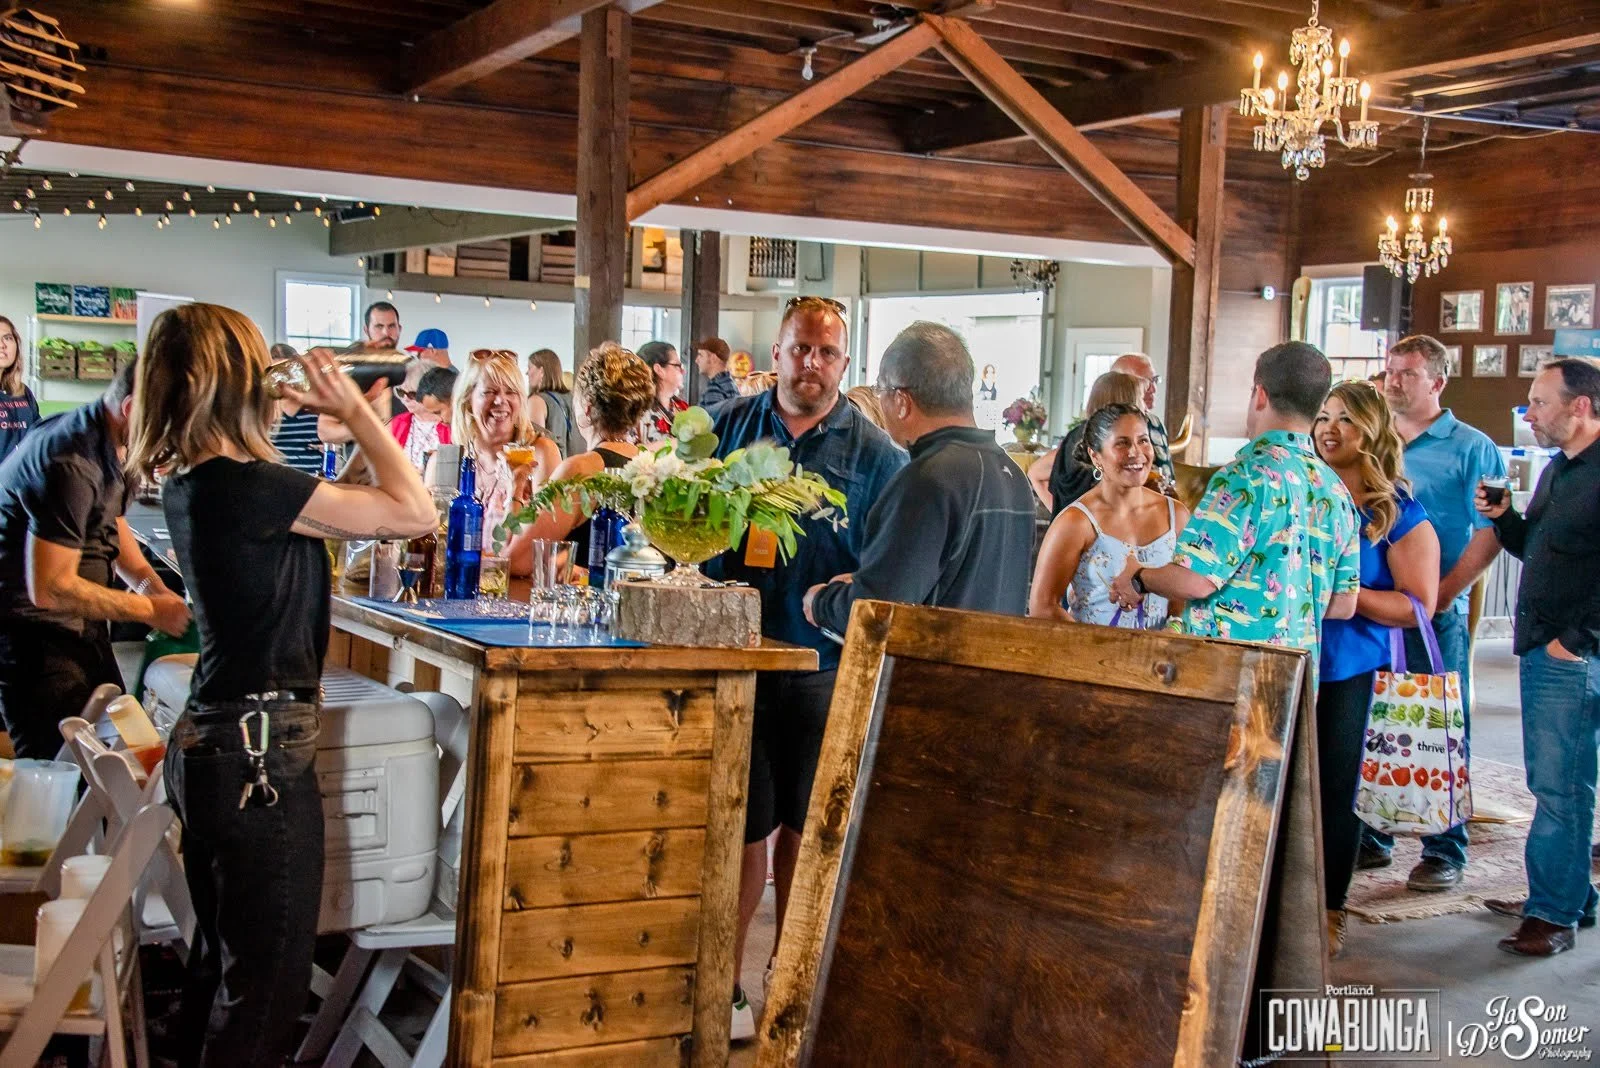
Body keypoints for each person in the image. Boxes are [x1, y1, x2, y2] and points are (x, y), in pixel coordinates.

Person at [126, 303, 435, 1067]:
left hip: (214, 744)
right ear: (226, 380)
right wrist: (359, 408)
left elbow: (356, 511)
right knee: (267, 993)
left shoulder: (201, 483)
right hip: (258, 759)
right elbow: (414, 511)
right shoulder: (249, 485)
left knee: (223, 973)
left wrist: (346, 423)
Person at [706, 296, 905, 1041]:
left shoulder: (879, 456)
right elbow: (681, 517)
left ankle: (784, 980)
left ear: (843, 364)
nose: (811, 365)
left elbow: (888, 568)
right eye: (799, 349)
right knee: (740, 832)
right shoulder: (729, 428)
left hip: (825, 669)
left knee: (805, 837)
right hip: (737, 662)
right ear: (776, 352)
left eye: (826, 353)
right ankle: (720, 987)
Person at [1110, 341, 1360, 662]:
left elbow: (1195, 581)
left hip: (1228, 674)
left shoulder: (1246, 476)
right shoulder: (1335, 488)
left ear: (1260, 394)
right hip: (1296, 679)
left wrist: (1139, 577)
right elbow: (1343, 604)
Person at [1366, 334, 1507, 890]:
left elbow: (1493, 530)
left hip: (1435, 608)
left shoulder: (1473, 447)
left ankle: (1444, 848)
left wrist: (1444, 592)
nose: (1393, 381)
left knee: (1441, 728)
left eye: (1407, 373)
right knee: (1377, 722)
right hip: (1375, 605)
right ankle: (1373, 836)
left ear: (1437, 383)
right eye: (1390, 371)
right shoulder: (1375, 440)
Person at [0, 360, 190, 758]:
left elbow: (110, 521)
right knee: (62, 772)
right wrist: (149, 609)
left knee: (124, 756)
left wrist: (147, 583)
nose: (176, 439)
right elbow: (51, 588)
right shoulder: (69, 459)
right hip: (34, 637)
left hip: (79, 627)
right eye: (172, 425)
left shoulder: (113, 443)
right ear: (132, 408)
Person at [1476, 359, 1600, 958]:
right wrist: (1505, 520)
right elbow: (1540, 551)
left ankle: (1553, 914)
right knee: (1553, 779)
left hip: (1572, 654)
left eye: (1540, 403)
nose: (1529, 414)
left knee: (1559, 787)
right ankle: (1572, 895)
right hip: (1541, 643)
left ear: (1581, 407)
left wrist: (1576, 642)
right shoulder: (1558, 470)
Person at [1311, 381, 1440, 956]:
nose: (1328, 428)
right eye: (1321, 417)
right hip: (1293, 659)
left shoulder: (1398, 514)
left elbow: (1418, 606)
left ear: (1372, 434)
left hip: (1353, 667)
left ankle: (1331, 907)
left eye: (1345, 419)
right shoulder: (1307, 495)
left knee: (1337, 791)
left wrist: (1349, 593)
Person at [804, 321, 1035, 634]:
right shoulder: (1012, 474)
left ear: (902, 401)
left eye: (880, 391)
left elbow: (878, 611)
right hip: (992, 676)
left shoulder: (929, 480)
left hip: (931, 676)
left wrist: (822, 601)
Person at [1029, 403, 1190, 628]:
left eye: (1143, 440)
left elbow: (1185, 595)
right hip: (1092, 656)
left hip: (1162, 658)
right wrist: (1098, 648)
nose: (1136, 452)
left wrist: (1175, 627)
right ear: (1096, 457)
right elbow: (1043, 607)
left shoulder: (1177, 515)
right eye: (1122, 443)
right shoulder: (1075, 522)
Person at [510, 343, 653, 567]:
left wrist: (515, 489)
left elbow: (519, 560)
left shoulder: (580, 471)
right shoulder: (652, 467)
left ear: (586, 407)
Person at [434, 350, 560, 568]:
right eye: (489, 392)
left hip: (520, 595)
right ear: (467, 400)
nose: (501, 401)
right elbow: (432, 547)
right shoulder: (446, 462)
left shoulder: (540, 453)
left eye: (511, 392)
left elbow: (544, 549)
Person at [1029, 371, 1144, 514]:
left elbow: (1036, 472)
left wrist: (1063, 517)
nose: (1144, 406)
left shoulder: (1077, 434)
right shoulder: (1105, 439)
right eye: (1140, 399)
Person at [390, 363, 456, 472]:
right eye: (401, 392)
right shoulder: (398, 423)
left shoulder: (451, 425)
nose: (406, 398)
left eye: (412, 394)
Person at [525, 348, 582, 459]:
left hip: (551, 470)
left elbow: (536, 446)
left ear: (541, 371)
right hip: (578, 467)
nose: (527, 373)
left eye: (529, 367)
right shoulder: (574, 399)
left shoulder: (536, 401)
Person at [0, 314, 40, 461]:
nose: (2, 345)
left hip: (23, 481)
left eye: (8, 338)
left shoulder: (23, 392)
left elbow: (38, 435)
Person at [639, 340, 688, 443]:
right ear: (659, 370)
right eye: (677, 366)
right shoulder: (637, 412)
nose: (683, 371)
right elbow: (630, 452)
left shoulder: (682, 407)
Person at [696, 337, 738, 410]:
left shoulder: (715, 388)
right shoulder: (731, 384)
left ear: (713, 358)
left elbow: (715, 420)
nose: (696, 360)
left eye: (701, 355)